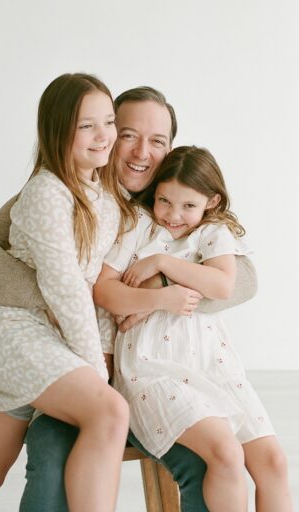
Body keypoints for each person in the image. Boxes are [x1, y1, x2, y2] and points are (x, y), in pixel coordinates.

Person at [0, 86, 258, 512]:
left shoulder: (178, 199)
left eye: (157, 141)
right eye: (129, 134)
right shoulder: (69, 185)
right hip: (64, 356)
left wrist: (153, 292)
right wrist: (83, 297)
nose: (142, 152)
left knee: (213, 457)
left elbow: (240, 279)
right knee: (45, 464)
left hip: (149, 375)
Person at [0, 73, 136, 512]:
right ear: (59, 131)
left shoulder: (103, 192)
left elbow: (96, 284)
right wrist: (97, 374)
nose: (104, 136)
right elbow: (66, 288)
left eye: (109, 121)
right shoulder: (46, 192)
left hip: (49, 337)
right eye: (86, 125)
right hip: (14, 330)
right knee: (110, 412)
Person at [95, 146, 292, 511]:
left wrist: (162, 263)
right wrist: (160, 300)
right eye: (164, 201)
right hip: (152, 368)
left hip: (213, 366)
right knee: (226, 453)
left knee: (275, 463)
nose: (172, 215)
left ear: (211, 200)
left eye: (188, 206)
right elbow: (105, 290)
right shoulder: (138, 223)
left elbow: (222, 286)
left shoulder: (213, 232)